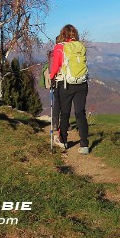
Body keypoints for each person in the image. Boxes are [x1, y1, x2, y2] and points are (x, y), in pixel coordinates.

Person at [49, 24, 91, 154]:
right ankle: (84, 145)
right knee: (80, 113)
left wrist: (51, 77)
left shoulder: (60, 47)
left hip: (66, 84)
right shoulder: (81, 46)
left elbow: (56, 66)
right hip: (82, 83)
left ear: (63, 34)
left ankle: (63, 141)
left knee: (65, 112)